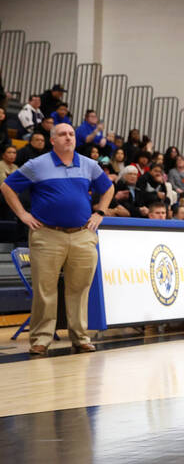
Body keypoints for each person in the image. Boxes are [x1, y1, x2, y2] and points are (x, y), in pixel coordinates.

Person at [1, 122, 113, 356]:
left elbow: (108, 188)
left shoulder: (89, 164)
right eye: (62, 134)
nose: (68, 137)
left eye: (71, 134)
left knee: (80, 288)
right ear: (52, 140)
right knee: (45, 288)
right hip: (47, 234)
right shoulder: (37, 165)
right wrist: (22, 214)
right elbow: (7, 186)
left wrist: (100, 212)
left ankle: (80, 337)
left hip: (83, 234)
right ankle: (41, 338)